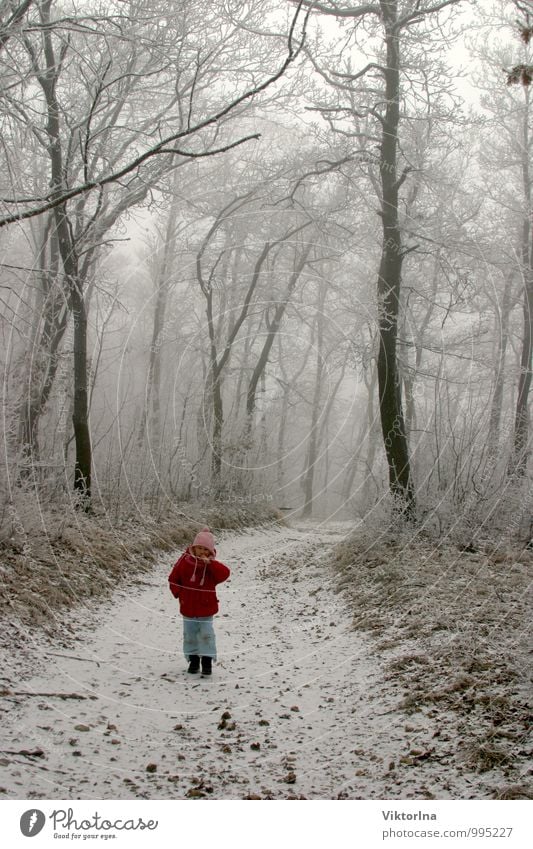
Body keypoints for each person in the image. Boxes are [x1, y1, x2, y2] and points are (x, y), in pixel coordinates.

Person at [168, 527, 230, 677]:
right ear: (193, 548)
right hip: (187, 607)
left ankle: (207, 662)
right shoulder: (184, 561)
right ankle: (193, 661)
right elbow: (173, 579)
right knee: (190, 635)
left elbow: (224, 574)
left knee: (206, 635)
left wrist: (211, 564)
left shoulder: (211, 567)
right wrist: (179, 594)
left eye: (206, 549)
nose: (202, 552)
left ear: (211, 551)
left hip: (206, 609)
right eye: (199, 548)